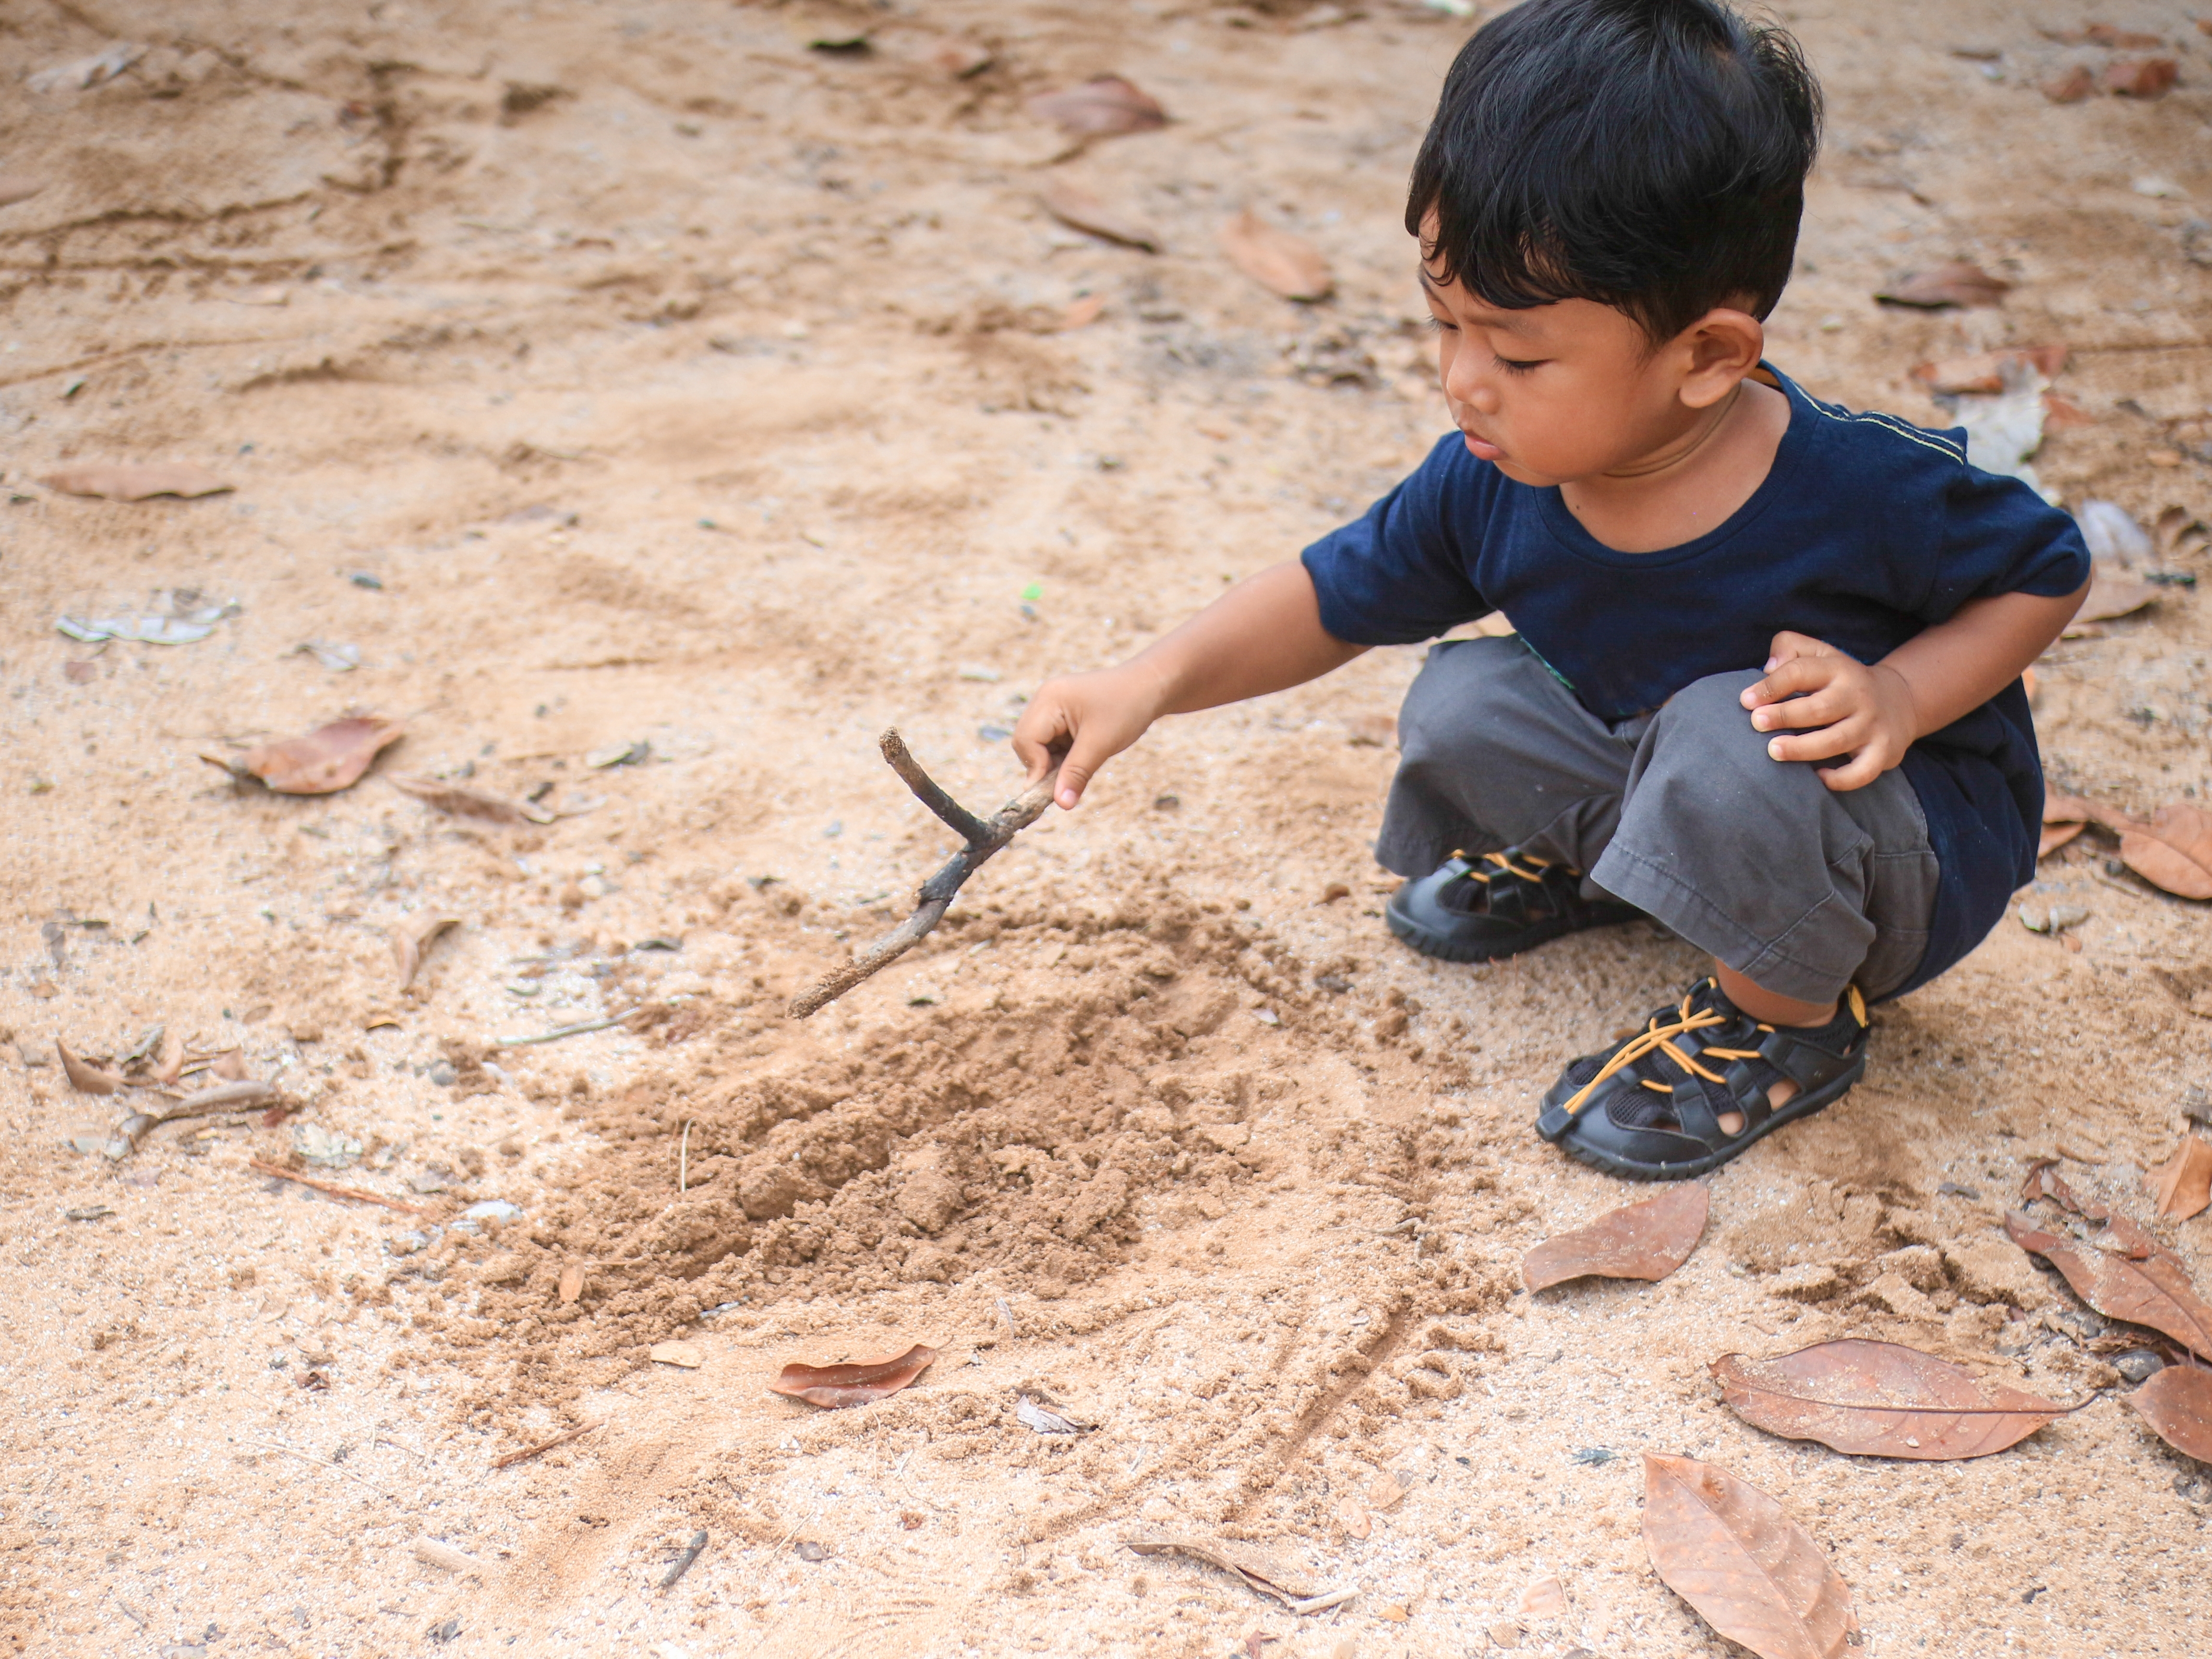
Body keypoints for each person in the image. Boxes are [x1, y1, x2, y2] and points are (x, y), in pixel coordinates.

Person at [1010, 0, 2089, 1180]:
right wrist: (1148, 682)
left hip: (1894, 861)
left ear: (1708, 358)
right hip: (1689, 782)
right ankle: (1628, 873)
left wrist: (1899, 692)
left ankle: (1787, 1025)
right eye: (1445, 325)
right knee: (1465, 703)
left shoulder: (1861, 487)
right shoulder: (1495, 475)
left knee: (1723, 740)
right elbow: (1330, 594)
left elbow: (2046, 570)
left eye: (1518, 356)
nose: (1464, 382)